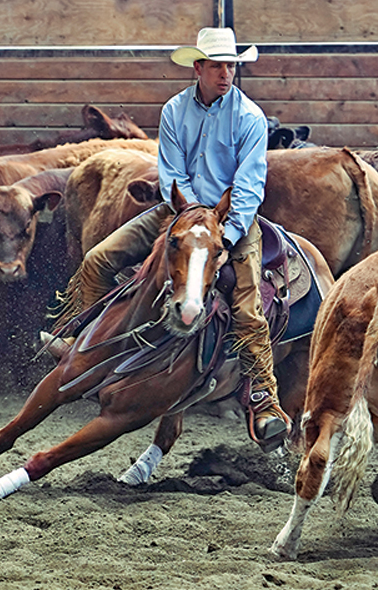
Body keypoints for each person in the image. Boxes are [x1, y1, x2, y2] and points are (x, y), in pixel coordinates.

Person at [47, 27, 290, 452]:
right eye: (216, 66)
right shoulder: (174, 111)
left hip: (232, 218)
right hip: (177, 213)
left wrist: (220, 233)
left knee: (248, 306)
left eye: (231, 66)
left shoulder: (249, 117)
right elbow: (171, 174)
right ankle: (84, 348)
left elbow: (250, 185)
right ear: (198, 68)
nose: (225, 74)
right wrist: (191, 219)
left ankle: (263, 397)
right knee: (98, 260)